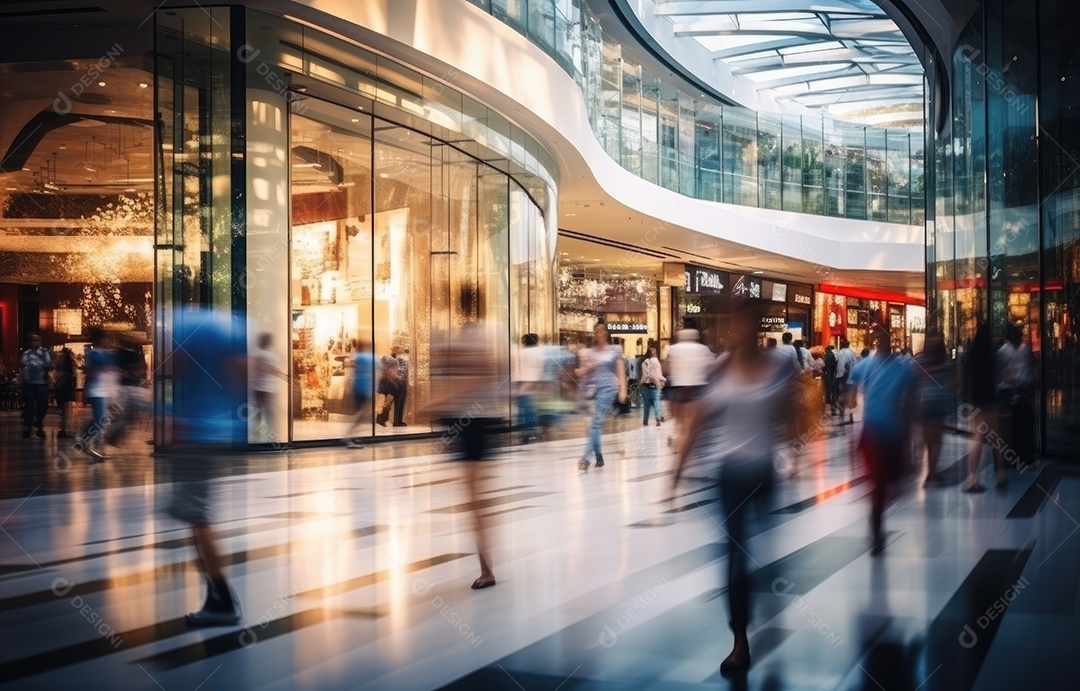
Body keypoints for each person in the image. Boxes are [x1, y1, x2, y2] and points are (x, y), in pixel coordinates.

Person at [672, 300, 793, 676]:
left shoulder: (776, 367)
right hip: (729, 474)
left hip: (763, 470)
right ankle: (740, 639)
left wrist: (796, 448)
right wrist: (676, 472)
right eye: (733, 322)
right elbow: (699, 422)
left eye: (744, 321)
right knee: (736, 554)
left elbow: (789, 414)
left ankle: (764, 596)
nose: (737, 328)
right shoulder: (720, 369)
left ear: (756, 325)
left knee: (759, 550)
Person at [165, 307, 246, 626]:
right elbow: (241, 373)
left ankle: (221, 598)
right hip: (217, 429)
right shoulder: (233, 326)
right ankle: (217, 596)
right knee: (196, 517)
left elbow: (178, 371)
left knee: (198, 518)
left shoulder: (184, 323)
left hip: (195, 431)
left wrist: (177, 419)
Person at [429, 284, 505, 589]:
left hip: (473, 421)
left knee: (475, 501)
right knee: (475, 500)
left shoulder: (476, 335)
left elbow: (482, 374)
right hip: (469, 420)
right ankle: (486, 567)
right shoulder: (475, 334)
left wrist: (440, 402)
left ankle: (487, 570)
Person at [848, 329, 916, 555]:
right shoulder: (903, 369)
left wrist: (853, 401)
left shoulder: (868, 366)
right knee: (882, 484)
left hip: (878, 432)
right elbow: (910, 403)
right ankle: (877, 531)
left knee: (884, 483)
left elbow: (851, 394)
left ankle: (878, 522)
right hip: (882, 433)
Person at [576, 322, 627, 470]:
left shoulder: (614, 350)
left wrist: (623, 390)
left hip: (608, 387)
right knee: (593, 425)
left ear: (606, 333)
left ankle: (586, 458)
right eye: (595, 331)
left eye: (600, 331)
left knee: (596, 423)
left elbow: (620, 370)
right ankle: (599, 457)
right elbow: (588, 369)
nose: (597, 334)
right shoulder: (592, 352)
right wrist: (581, 371)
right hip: (593, 389)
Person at [962, 324, 1003, 491]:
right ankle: (1000, 475)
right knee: (996, 438)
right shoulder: (992, 354)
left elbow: (965, 376)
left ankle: (973, 478)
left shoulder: (971, 353)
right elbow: (998, 375)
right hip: (990, 398)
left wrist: (965, 397)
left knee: (977, 437)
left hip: (976, 399)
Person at [665, 319, 713, 449]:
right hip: (699, 391)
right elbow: (710, 370)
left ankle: (679, 445)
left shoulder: (673, 349)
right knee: (695, 425)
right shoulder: (704, 350)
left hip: (679, 390)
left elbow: (668, 369)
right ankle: (691, 447)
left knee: (680, 423)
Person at [996, 324, 1037, 468]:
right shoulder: (1008, 350)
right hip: (1014, 390)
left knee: (1019, 425)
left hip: (1018, 390)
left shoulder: (1015, 350)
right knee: (1018, 426)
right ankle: (1021, 454)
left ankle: (1021, 454)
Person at [915, 333, 953, 486]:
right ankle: (931, 471)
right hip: (939, 402)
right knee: (936, 439)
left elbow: (913, 376)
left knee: (928, 439)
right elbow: (954, 380)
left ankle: (931, 471)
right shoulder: (945, 360)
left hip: (925, 402)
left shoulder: (920, 359)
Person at [78, 328, 118, 461]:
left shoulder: (104, 354)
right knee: (101, 418)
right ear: (100, 340)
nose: (108, 342)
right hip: (96, 390)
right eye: (106, 339)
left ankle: (88, 441)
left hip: (104, 390)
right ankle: (83, 439)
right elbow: (94, 370)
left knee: (102, 419)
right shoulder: (94, 354)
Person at [251, 333, 285, 443]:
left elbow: (253, 371)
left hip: (258, 388)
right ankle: (272, 439)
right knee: (270, 415)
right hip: (270, 389)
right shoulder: (273, 356)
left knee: (258, 414)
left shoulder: (256, 355)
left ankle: (256, 438)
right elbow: (275, 370)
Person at [18, 332, 52, 439]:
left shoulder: (44, 352)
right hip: (28, 383)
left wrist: (43, 366)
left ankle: (38, 422)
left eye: (36, 340)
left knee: (43, 405)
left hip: (41, 382)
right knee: (29, 405)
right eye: (31, 340)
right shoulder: (26, 353)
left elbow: (49, 364)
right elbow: (23, 364)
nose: (34, 342)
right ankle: (27, 426)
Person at [345, 338, 375, 448]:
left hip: (359, 387)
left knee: (361, 414)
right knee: (361, 415)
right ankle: (348, 436)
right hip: (364, 389)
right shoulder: (367, 358)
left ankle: (352, 436)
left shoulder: (358, 357)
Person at [517, 333, 544, 442]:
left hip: (523, 382)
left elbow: (517, 368)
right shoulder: (539, 352)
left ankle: (526, 431)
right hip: (534, 382)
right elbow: (540, 368)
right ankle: (533, 430)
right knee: (531, 408)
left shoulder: (521, 352)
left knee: (523, 408)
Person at [376, 345, 409, 427]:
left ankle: (385, 419)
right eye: (400, 349)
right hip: (392, 385)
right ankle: (389, 419)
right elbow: (392, 373)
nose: (401, 351)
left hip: (391, 385)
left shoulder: (395, 360)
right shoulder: (391, 360)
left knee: (388, 403)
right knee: (388, 403)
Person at [53, 346, 77, 439]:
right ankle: (65, 429)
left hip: (59, 388)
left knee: (62, 411)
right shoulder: (68, 373)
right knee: (67, 411)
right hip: (67, 388)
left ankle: (62, 429)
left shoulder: (58, 370)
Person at [639, 346, 665, 427]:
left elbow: (644, 375)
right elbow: (658, 374)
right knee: (656, 402)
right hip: (655, 385)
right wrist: (663, 380)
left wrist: (640, 384)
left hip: (646, 386)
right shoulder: (656, 362)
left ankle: (645, 421)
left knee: (646, 404)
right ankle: (658, 419)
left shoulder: (644, 363)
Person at [834, 339, 856, 419]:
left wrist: (839, 377)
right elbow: (855, 363)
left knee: (842, 397)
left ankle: (841, 415)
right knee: (851, 397)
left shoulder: (841, 352)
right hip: (852, 378)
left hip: (844, 378)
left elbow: (841, 366)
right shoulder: (852, 352)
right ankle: (851, 416)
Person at [823, 345, 838, 413]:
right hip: (834, 373)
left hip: (830, 373)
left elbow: (827, 365)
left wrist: (825, 371)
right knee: (832, 387)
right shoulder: (835, 353)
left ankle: (829, 400)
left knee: (829, 386)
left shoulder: (829, 354)